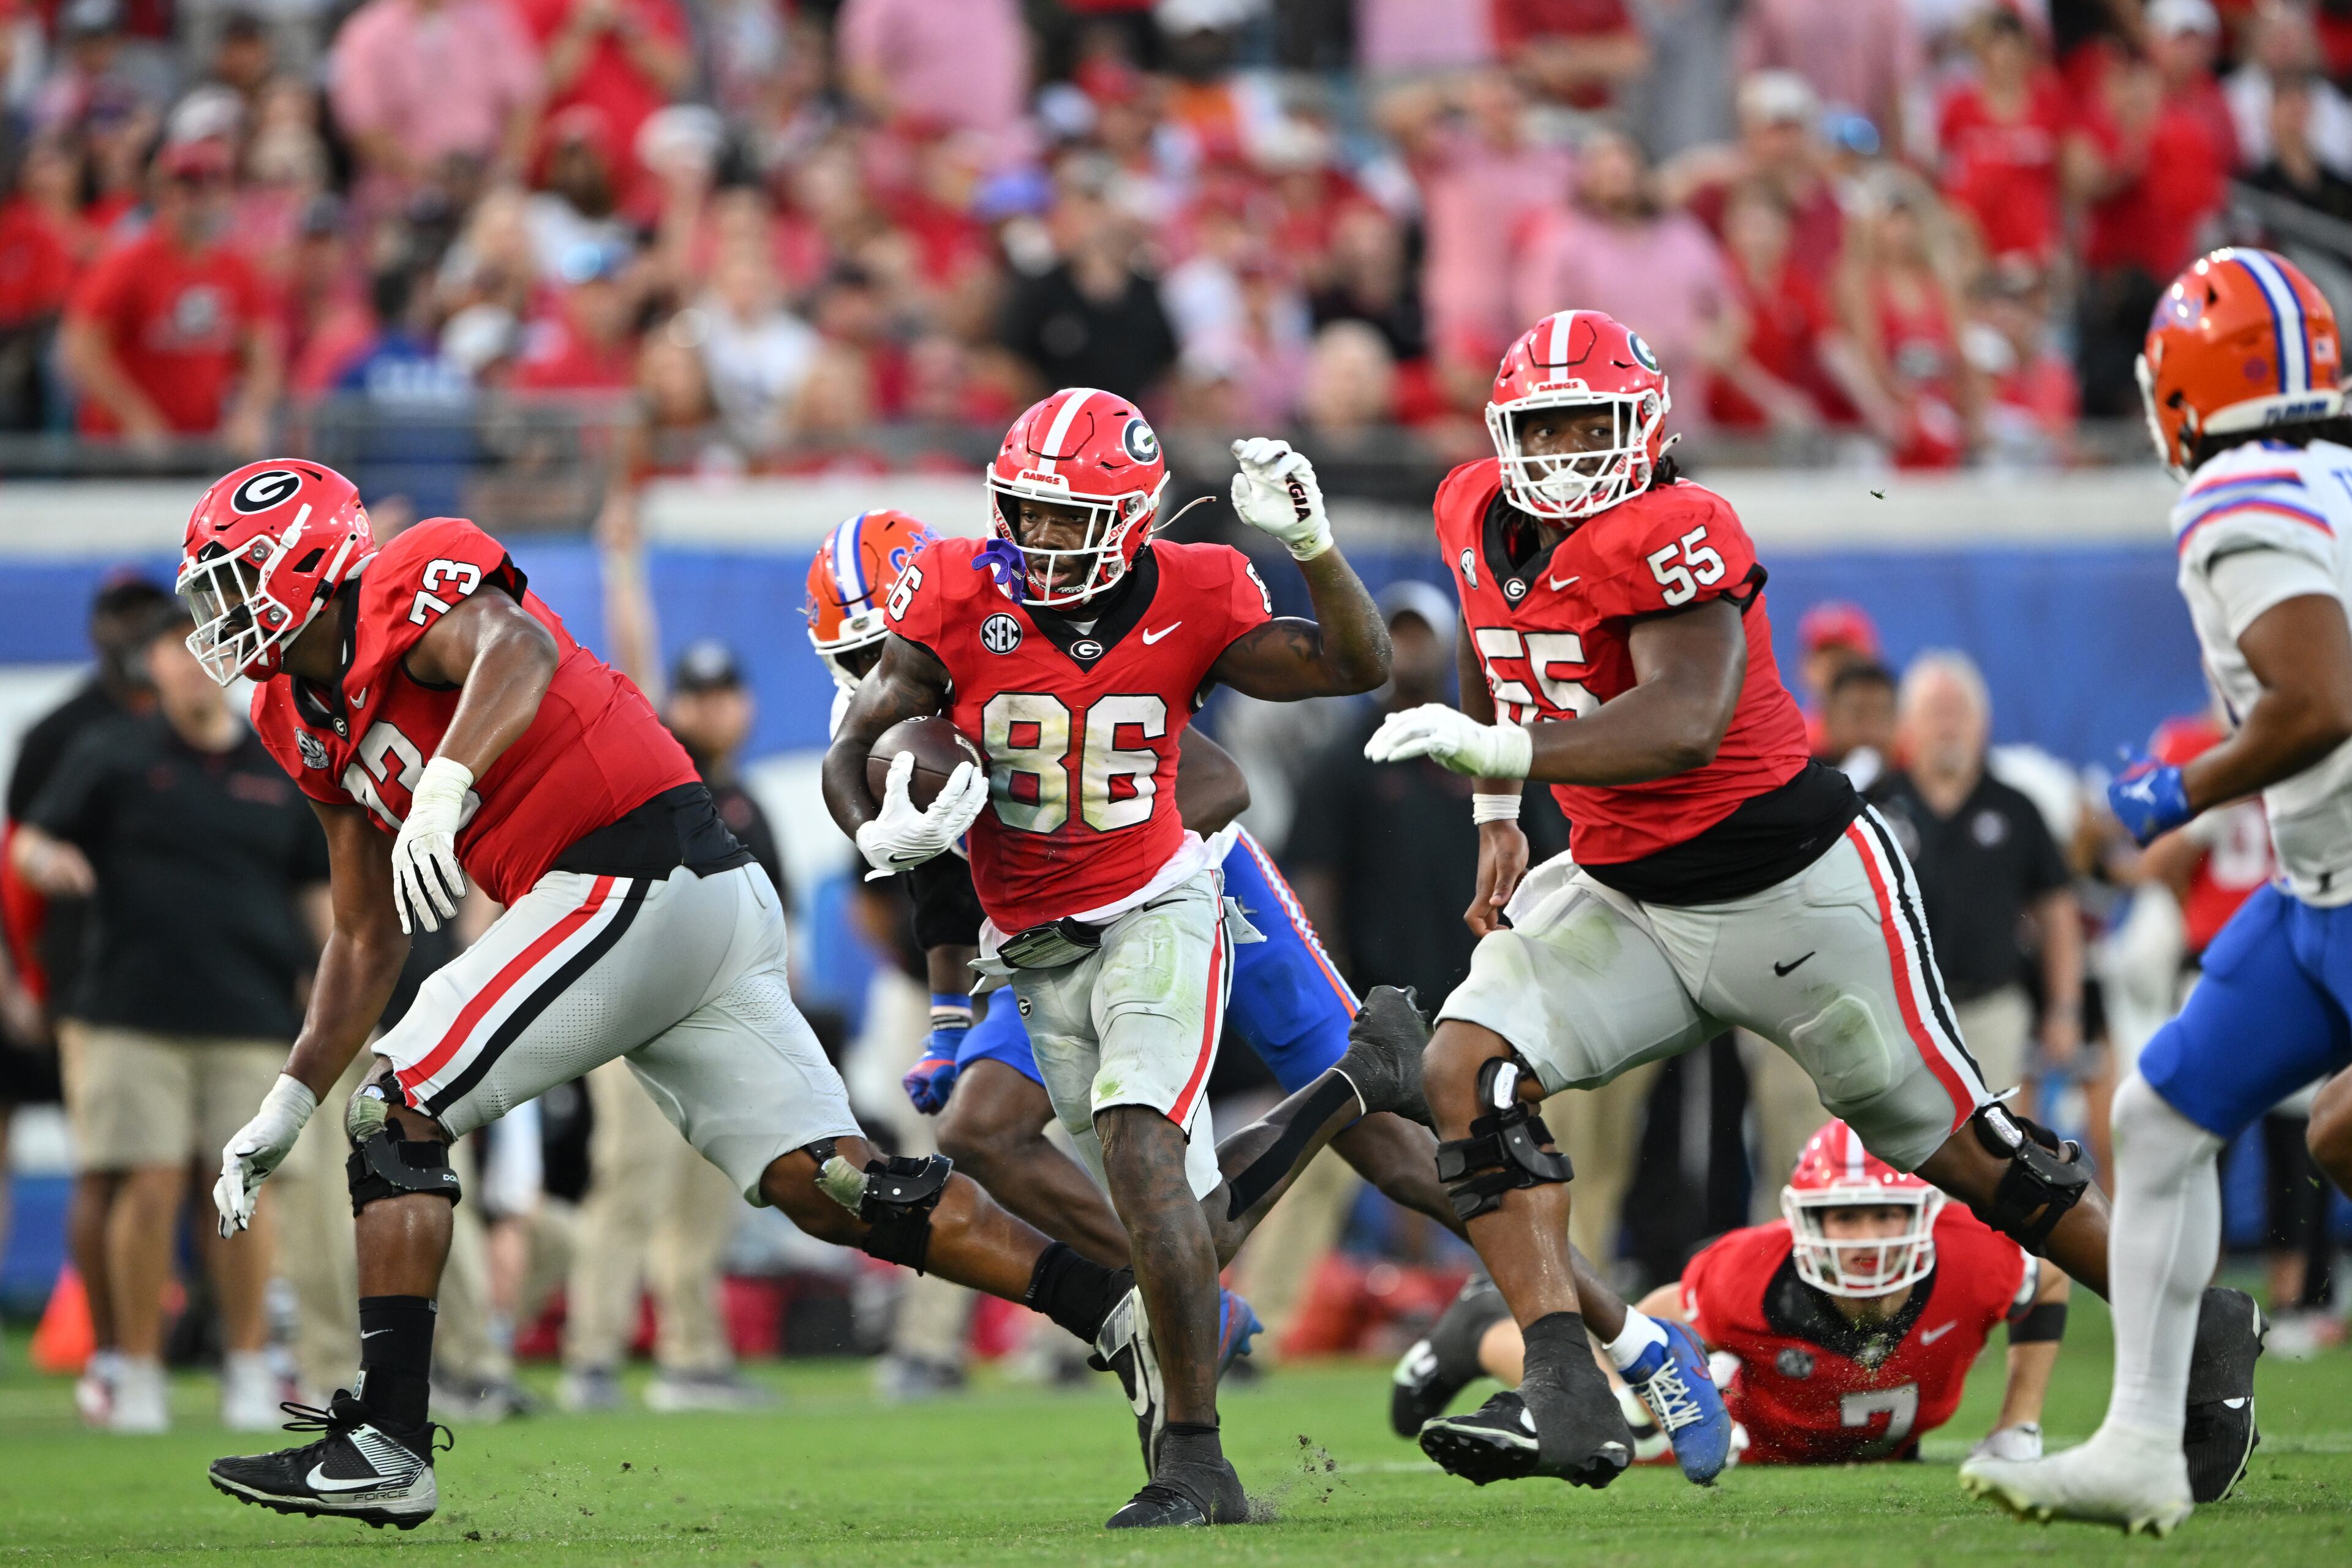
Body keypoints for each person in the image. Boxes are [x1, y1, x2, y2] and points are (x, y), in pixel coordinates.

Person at [194, 459, 1423, 1531]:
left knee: (398, 1103)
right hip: (683, 901)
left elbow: (510, 648)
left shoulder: (415, 573)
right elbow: (361, 928)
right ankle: (1111, 1305)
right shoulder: (291, 712)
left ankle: (390, 1440)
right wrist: (290, 1093)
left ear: (314, 560)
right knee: (834, 1186)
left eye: (241, 578)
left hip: (632, 866)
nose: (225, 613)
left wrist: (452, 784)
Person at [1357, 306, 2258, 1495]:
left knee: (1966, 1150)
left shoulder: (1683, 525)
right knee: (1462, 1067)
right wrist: (1495, 810)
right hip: (1624, 890)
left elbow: (1686, 717)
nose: (1570, 450)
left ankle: (2200, 1325)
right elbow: (1495, 635)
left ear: (1649, 426)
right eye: (1547, 425)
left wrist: (1507, 753)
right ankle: (1563, 1372)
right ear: (1502, 431)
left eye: (1593, 422)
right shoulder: (1473, 506)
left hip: (1787, 885)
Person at [818, 406, 1448, 1525]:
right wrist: (876, 829)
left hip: (1156, 908)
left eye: (1074, 515)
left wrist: (1314, 546)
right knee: (1183, 1229)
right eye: (1032, 510)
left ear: (1131, 519)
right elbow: (855, 745)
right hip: (1031, 947)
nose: (1047, 536)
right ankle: (1356, 1080)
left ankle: (1194, 1461)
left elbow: (1349, 663)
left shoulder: (1192, 588)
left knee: (1138, 1142)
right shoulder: (958, 586)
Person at [1961, 246, 2352, 1533]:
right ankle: (2139, 1440)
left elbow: (2318, 701)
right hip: (2314, 893)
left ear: (2183, 388)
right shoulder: (2333, 473)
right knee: (2163, 1112)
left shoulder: (2241, 492)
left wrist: (2175, 791)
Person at [12, 601, 330, 1433]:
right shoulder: (111, 752)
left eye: (210, 650)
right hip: (129, 1009)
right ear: (153, 666)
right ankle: (140, 1368)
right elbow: (30, 842)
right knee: (145, 1182)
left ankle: (250, 1364)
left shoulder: (276, 763)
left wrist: (335, 982)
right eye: (177, 652)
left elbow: (313, 894)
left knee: (241, 1195)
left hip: (251, 1010)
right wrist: (51, 861)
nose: (195, 665)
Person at [1411, 1120, 2068, 1467]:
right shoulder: (1748, 1273)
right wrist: (1625, 1395)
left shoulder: (1975, 1255)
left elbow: (2053, 1278)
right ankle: (1481, 1328)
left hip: (1860, 1439)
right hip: (1747, 1427)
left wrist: (2019, 1421)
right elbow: (1651, 1319)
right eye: (1845, 1216)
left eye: (1885, 1214)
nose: (1867, 1238)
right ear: (1804, 1221)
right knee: (1607, 1431)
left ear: (1922, 1214)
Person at [2, 573, 170, 1423]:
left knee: (194, 1167)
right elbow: (15, 863)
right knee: (109, 1165)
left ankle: (201, 1336)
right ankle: (112, 1352)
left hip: (192, 977)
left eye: (151, 617)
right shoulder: (61, 733)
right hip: (88, 979)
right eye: (124, 617)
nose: (136, 632)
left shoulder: (191, 726)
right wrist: (21, 980)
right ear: (96, 627)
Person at [1867, 652, 2082, 1112]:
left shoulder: (2017, 809)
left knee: (2000, 1157)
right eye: (1935, 711)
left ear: (1984, 724)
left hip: (1991, 1012)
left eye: (1958, 710)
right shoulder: (1873, 806)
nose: (1948, 724)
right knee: (1898, 1167)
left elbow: (2058, 914)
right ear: (1907, 726)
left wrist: (2064, 1010)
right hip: (1895, 1021)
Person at [58, 138, 281, 453]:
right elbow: (80, 348)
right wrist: (135, 418)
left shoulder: (236, 268)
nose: (198, 199)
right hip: (125, 452)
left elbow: (263, 354)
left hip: (203, 447)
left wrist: (250, 413)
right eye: (187, 186)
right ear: (163, 192)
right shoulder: (127, 263)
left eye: (210, 186)